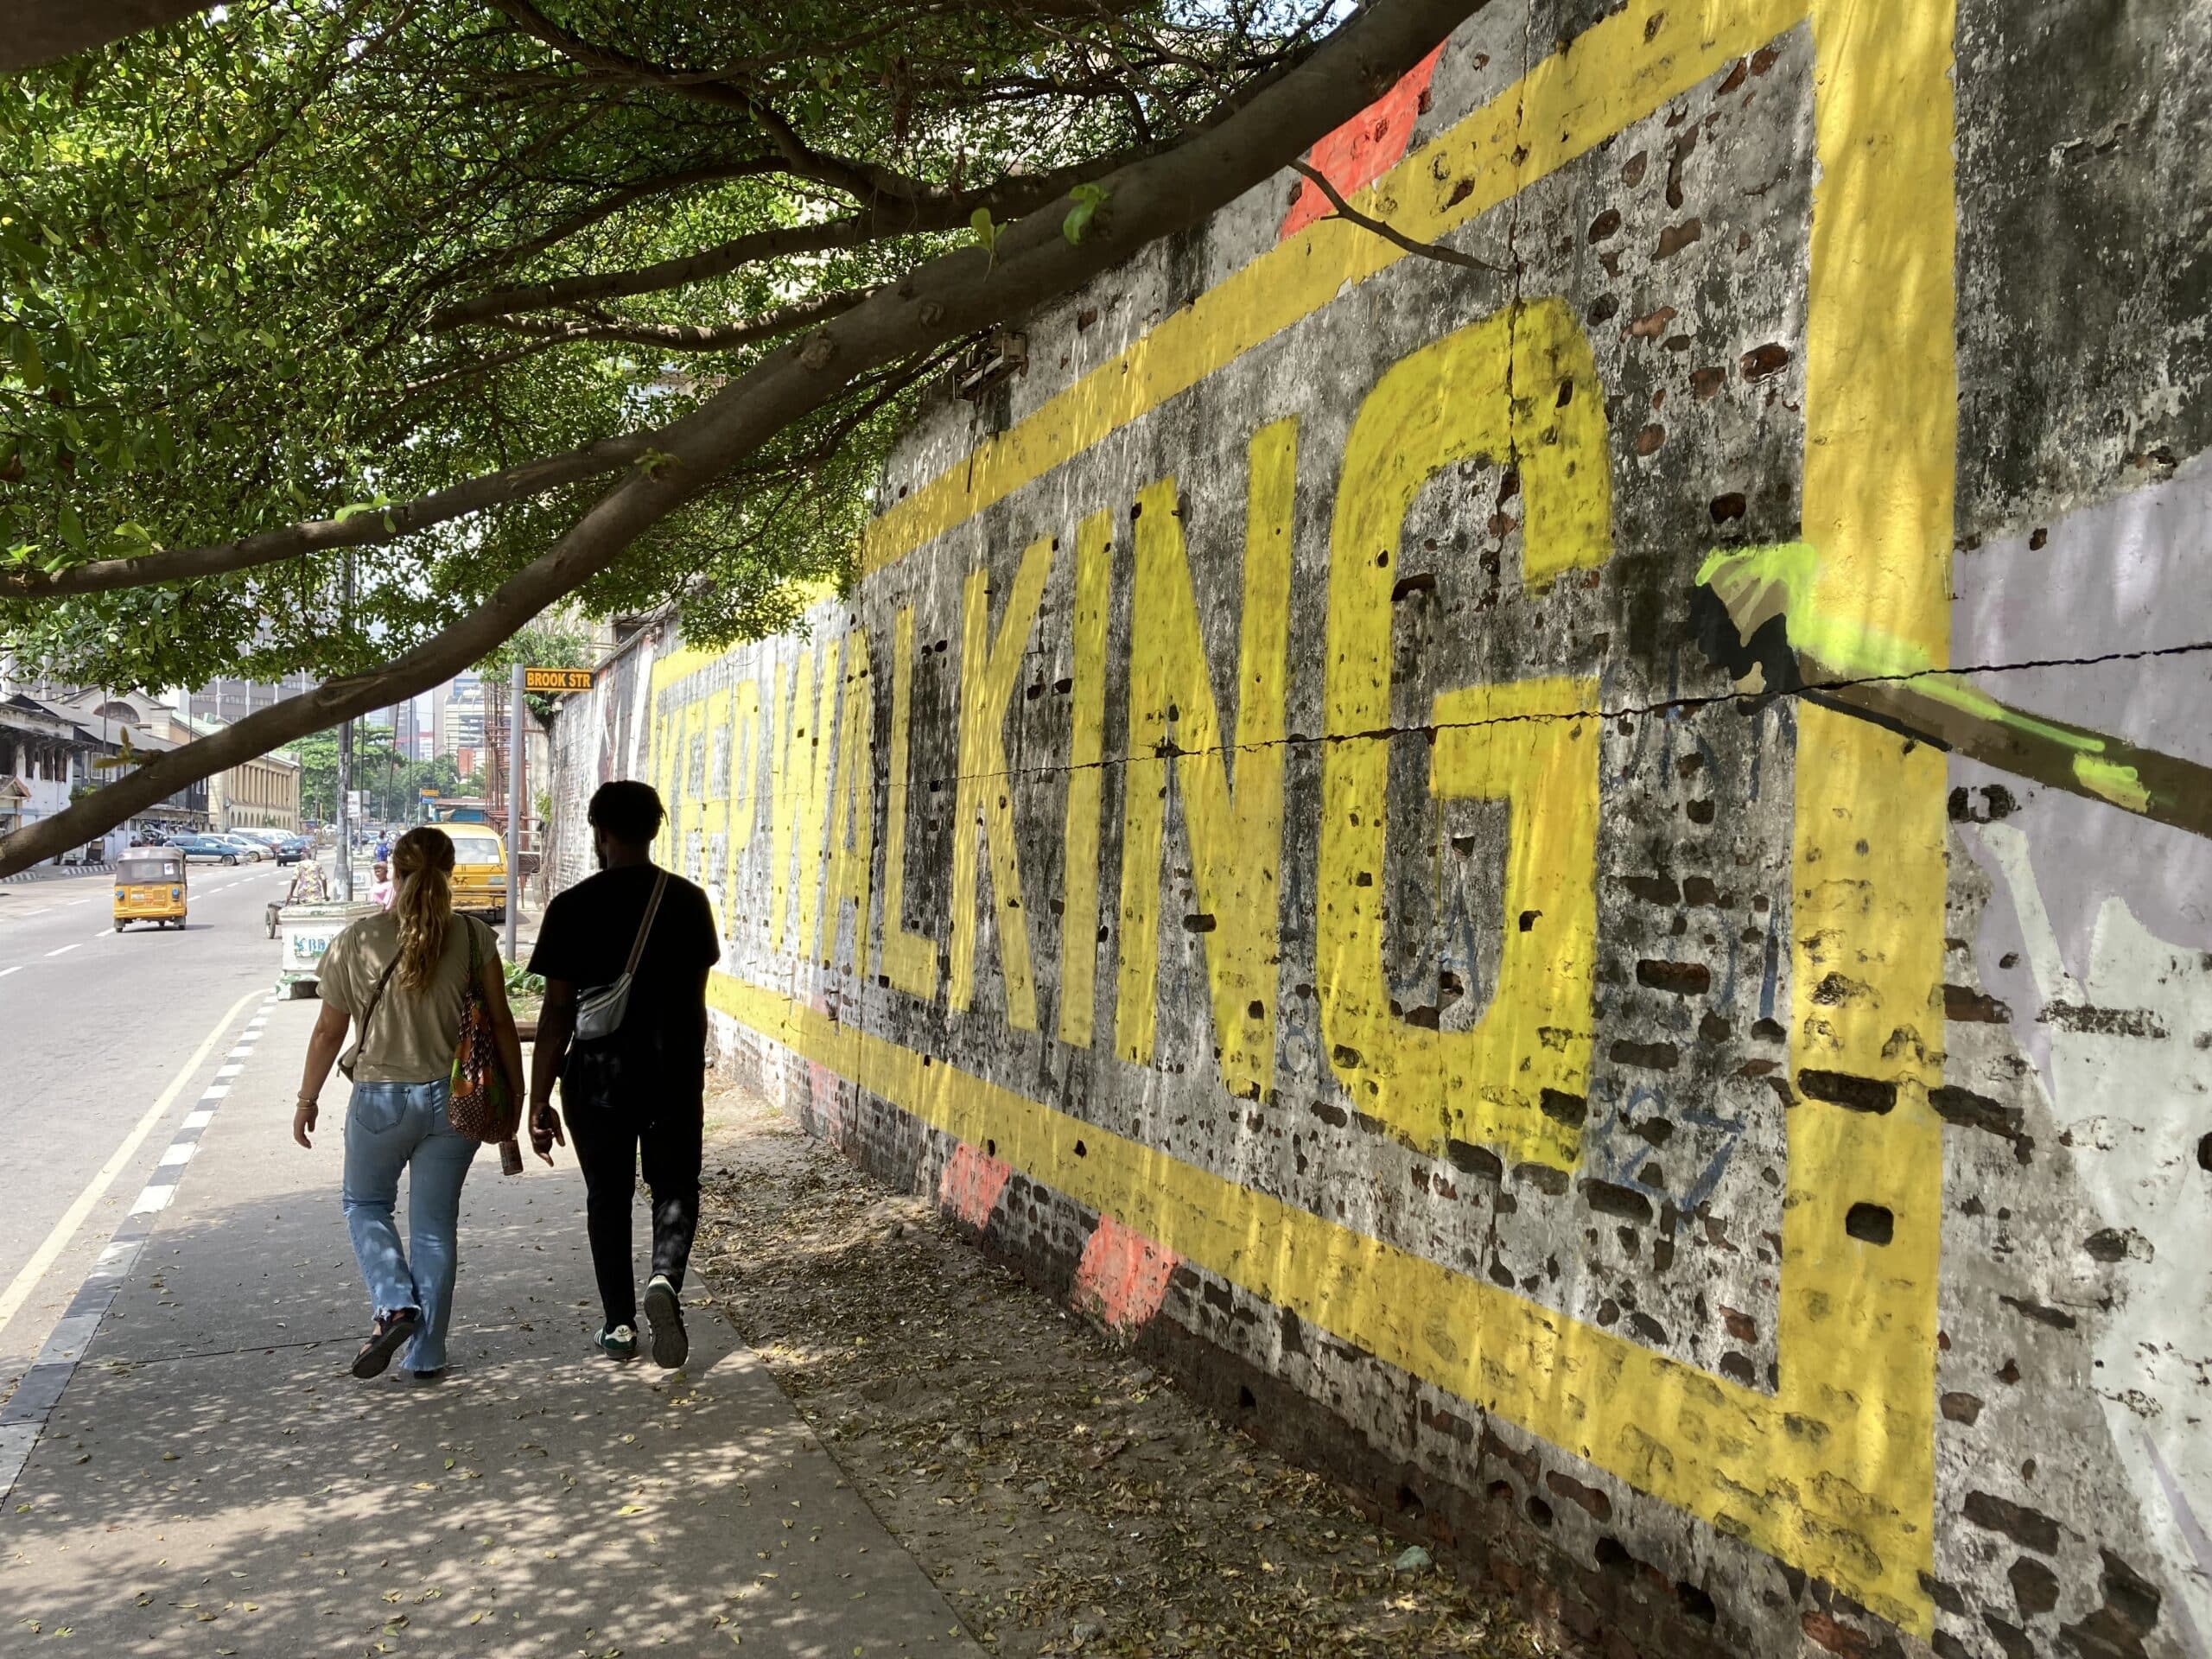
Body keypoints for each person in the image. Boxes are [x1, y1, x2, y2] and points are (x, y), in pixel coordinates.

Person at [293, 827, 531, 1381]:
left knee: (365, 1205)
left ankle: (395, 1301)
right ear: (450, 873)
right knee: (434, 1227)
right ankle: (426, 1355)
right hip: (456, 1102)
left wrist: (308, 1099)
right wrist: (516, 1100)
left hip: (380, 1101)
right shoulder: (475, 939)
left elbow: (329, 1032)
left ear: (392, 874)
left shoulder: (358, 939)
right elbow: (500, 1024)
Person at [527, 780, 720, 1368]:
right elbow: (695, 999)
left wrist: (538, 1102)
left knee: (607, 1197)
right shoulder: (687, 902)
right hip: (671, 1073)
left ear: (600, 833)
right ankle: (665, 1278)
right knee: (675, 1185)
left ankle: (618, 1326)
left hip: (596, 1080)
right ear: (655, 829)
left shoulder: (570, 908)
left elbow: (558, 1012)